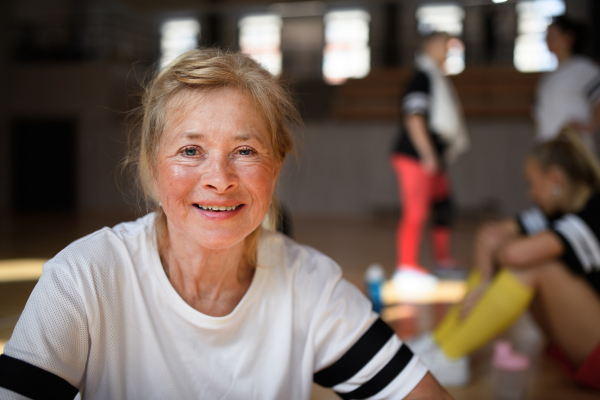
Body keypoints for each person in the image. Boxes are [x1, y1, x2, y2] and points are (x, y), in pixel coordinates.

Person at [0, 50, 451, 399]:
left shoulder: (310, 286)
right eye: (191, 151)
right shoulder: (81, 281)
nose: (219, 179)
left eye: (245, 150)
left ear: (276, 167)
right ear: (153, 168)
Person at [408, 130, 600, 391]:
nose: (531, 194)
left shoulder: (594, 210)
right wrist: (486, 278)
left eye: (533, 184)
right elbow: (488, 235)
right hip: (582, 336)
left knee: (537, 264)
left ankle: (449, 355)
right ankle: (440, 342)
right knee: (524, 257)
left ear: (555, 179)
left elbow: (513, 254)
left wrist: (500, 254)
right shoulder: (552, 213)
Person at [391, 32, 469, 293]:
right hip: (416, 156)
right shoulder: (422, 77)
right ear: (428, 46)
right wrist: (427, 153)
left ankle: (442, 260)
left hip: (433, 156)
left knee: (444, 205)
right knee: (416, 212)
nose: (447, 50)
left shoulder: (437, 78)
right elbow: (414, 116)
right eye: (443, 44)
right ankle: (407, 267)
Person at [535, 16, 600, 146]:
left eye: (553, 35)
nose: (548, 39)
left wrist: (589, 126)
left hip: (573, 147)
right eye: (547, 36)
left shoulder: (583, 68)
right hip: (549, 149)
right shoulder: (548, 78)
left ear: (568, 37)